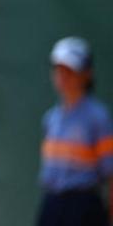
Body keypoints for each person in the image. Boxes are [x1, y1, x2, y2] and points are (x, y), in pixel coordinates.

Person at [37, 36, 113, 226]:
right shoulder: (51, 118)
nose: (63, 76)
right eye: (59, 70)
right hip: (52, 204)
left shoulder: (98, 117)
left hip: (83, 208)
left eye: (70, 71)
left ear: (86, 74)